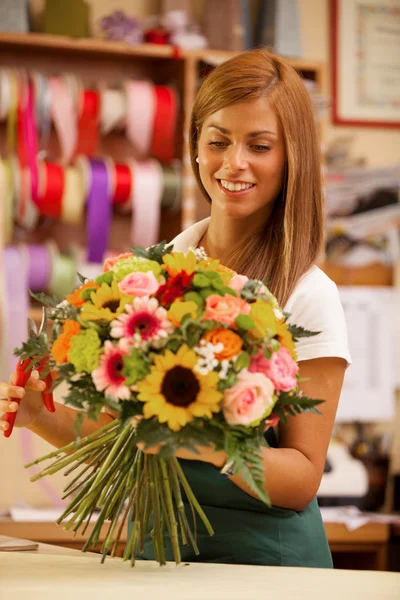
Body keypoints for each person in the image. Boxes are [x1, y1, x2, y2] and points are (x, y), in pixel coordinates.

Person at [0, 48, 351, 568]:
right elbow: (134, 434)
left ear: (291, 155)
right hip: (161, 558)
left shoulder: (307, 293)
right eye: (218, 141)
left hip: (269, 570)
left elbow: (301, 478)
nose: (234, 163)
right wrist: (38, 416)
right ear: (195, 147)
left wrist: (202, 441)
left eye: (259, 145)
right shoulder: (150, 277)